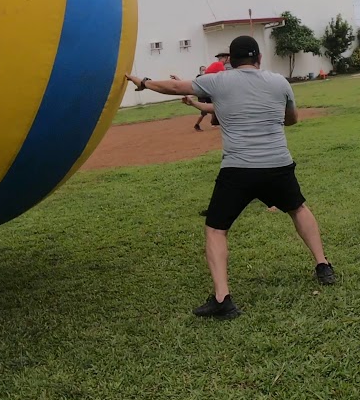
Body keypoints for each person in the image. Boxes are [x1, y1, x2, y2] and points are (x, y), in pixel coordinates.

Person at [125, 35, 336, 320]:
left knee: (216, 229)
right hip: (278, 164)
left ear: (230, 62)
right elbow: (292, 119)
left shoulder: (218, 82)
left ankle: (223, 299)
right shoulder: (279, 83)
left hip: (238, 169)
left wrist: (142, 82)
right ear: (259, 58)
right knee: (298, 208)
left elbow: (175, 87)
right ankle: (323, 265)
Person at [191, 52, 230, 131]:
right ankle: (197, 125)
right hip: (206, 91)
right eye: (228, 57)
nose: (229, 59)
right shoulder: (219, 65)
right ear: (225, 58)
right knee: (205, 110)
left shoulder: (216, 65)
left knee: (215, 105)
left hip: (208, 90)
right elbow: (224, 77)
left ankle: (214, 123)